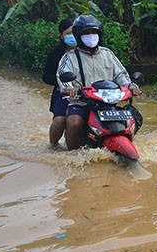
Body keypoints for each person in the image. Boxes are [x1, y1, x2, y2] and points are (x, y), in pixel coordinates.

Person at [56, 14, 141, 150]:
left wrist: (131, 86)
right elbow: (62, 75)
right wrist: (69, 88)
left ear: (99, 34)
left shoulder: (107, 54)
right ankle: (73, 156)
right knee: (74, 123)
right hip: (82, 103)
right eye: (86, 33)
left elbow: (121, 74)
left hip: (108, 103)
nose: (91, 36)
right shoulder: (70, 57)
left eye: (93, 32)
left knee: (131, 120)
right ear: (79, 36)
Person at [42, 18, 76, 147]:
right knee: (59, 121)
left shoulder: (86, 52)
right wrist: (63, 83)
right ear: (61, 36)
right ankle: (52, 145)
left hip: (86, 92)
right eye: (68, 33)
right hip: (62, 93)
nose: (71, 36)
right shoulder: (55, 55)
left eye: (74, 32)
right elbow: (46, 77)